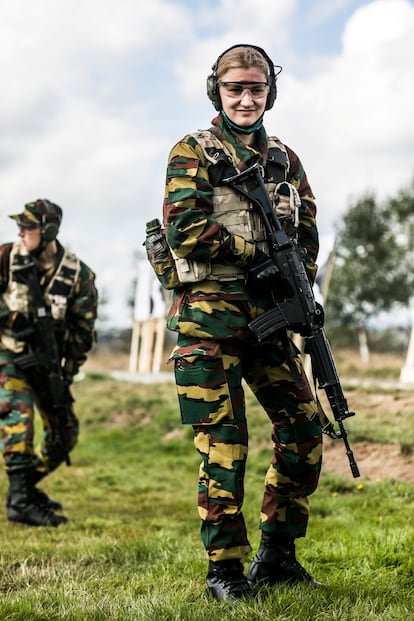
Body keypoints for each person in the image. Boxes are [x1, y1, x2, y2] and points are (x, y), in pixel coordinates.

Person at [161, 44, 324, 601]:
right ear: (218, 92)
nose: (246, 98)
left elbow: (307, 233)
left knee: (304, 430)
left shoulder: (284, 161)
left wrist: (298, 277)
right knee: (224, 448)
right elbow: (185, 227)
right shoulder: (193, 152)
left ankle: (277, 554)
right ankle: (225, 572)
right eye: (236, 89)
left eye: (256, 88)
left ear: (268, 93)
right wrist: (254, 255)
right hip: (208, 327)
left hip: (268, 325)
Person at [0, 199, 98, 526]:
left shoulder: (78, 275)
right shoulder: (5, 257)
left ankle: (23, 491)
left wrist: (65, 375)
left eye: (27, 227)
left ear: (48, 231)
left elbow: (82, 332)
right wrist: (11, 318)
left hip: (45, 363)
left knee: (65, 434)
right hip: (6, 354)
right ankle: (21, 502)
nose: (20, 233)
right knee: (19, 414)